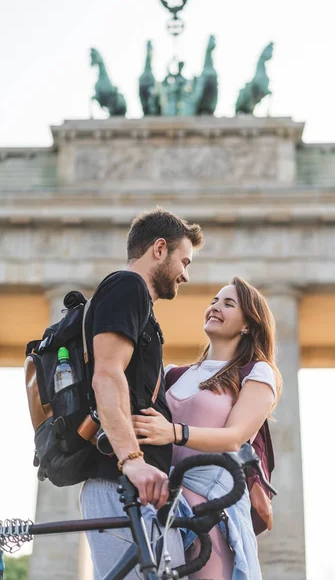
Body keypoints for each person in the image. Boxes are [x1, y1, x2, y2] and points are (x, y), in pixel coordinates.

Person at [80, 207, 204, 580]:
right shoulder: (128, 286)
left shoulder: (139, 303)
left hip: (139, 488)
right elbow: (107, 374)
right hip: (123, 484)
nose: (185, 273)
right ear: (159, 249)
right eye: (184, 260)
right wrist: (132, 459)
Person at [132, 277, 283, 580]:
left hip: (210, 512)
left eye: (229, 303)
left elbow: (236, 437)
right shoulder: (173, 374)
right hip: (162, 503)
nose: (215, 307)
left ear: (248, 325)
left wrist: (174, 432)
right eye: (214, 300)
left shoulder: (257, 372)